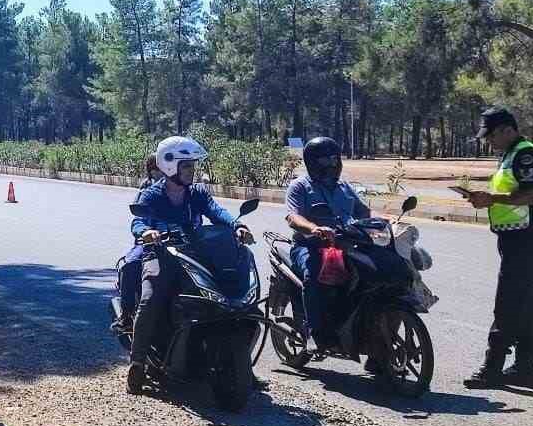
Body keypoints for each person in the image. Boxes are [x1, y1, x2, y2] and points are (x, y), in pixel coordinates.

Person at [126, 135, 254, 394]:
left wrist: (237, 225)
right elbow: (138, 222)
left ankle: (242, 365)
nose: (191, 171)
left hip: (194, 254)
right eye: (187, 166)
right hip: (161, 254)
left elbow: (217, 211)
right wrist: (146, 233)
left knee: (232, 300)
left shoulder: (197, 193)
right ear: (170, 166)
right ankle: (137, 362)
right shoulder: (152, 195)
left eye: (193, 166)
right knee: (150, 299)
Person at [460, 107, 533, 388]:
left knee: (507, 302)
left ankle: (492, 367)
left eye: (490, 136)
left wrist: (492, 199)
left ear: (506, 130)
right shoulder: (510, 156)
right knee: (523, 301)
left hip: (527, 238)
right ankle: (525, 367)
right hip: (515, 237)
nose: (488, 142)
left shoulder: (526, 154)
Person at [283, 136, 371, 349]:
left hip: (345, 244)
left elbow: (364, 213)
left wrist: (384, 223)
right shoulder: (300, 187)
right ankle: (315, 332)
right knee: (314, 274)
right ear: (313, 163)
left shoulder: (344, 187)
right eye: (325, 160)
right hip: (310, 246)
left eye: (334, 159)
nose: (332, 164)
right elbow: (293, 217)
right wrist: (315, 229)